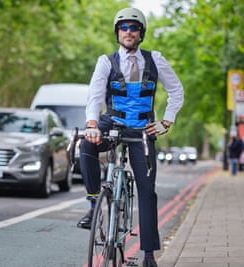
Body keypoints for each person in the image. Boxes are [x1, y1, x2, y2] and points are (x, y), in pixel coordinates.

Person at [77, 7, 184, 267]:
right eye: (123, 27)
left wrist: (166, 122)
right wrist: (92, 125)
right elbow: (94, 96)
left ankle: (148, 254)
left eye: (133, 28)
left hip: (142, 131)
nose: (128, 31)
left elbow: (176, 91)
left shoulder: (155, 59)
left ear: (141, 33)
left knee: (147, 191)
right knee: (85, 146)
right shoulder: (106, 61)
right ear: (117, 32)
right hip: (111, 123)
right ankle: (93, 207)